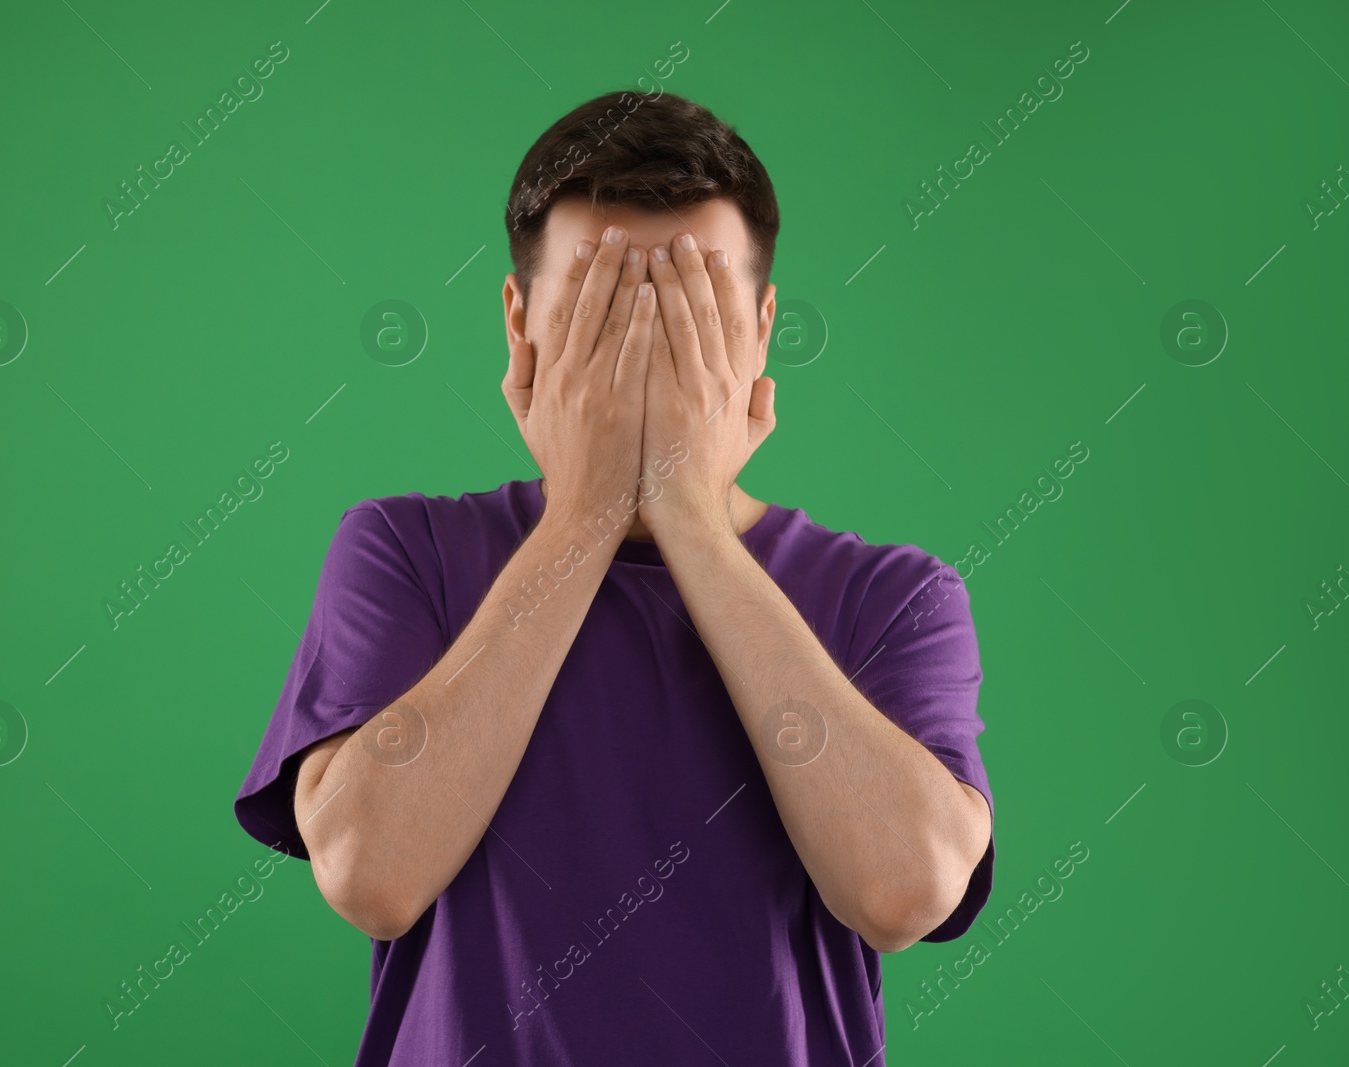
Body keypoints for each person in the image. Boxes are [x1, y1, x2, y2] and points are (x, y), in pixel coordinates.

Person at [233, 89, 994, 1066]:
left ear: (761, 332)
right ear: (521, 327)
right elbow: (369, 873)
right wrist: (587, 513)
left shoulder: (892, 597)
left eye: (688, 319)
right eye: (600, 316)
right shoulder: (405, 551)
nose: (643, 360)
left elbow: (903, 891)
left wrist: (686, 515)